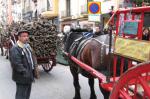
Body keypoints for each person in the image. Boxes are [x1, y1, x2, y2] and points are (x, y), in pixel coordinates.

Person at [9, 30, 38, 99]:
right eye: (24, 36)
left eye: (27, 36)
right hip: (22, 77)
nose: (26, 38)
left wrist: (34, 70)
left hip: (29, 75)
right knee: (21, 95)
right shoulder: (15, 48)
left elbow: (32, 58)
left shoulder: (27, 46)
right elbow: (16, 64)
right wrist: (26, 73)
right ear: (19, 37)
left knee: (27, 94)